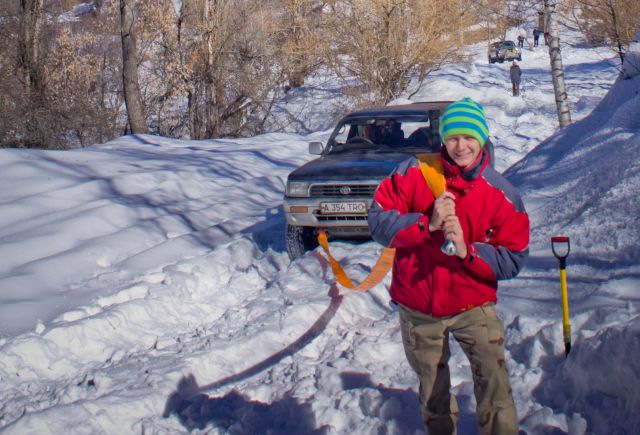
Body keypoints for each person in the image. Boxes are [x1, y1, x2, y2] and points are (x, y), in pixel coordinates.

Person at [367, 98, 530, 435]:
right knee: (433, 393)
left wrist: (467, 253)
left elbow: (513, 256)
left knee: (495, 386)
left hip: (474, 305)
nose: (461, 146)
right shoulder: (414, 173)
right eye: (453, 137)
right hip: (418, 306)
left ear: (482, 138)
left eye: (469, 137)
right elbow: (378, 221)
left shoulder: (501, 193)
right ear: (443, 139)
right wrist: (427, 224)